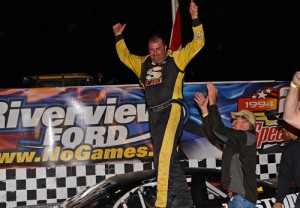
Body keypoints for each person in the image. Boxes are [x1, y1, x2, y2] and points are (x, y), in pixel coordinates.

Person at [112, 0, 205, 207]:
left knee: (163, 155)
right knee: (164, 160)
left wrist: (195, 18)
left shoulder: (176, 59)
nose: (155, 53)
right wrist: (119, 37)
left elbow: (198, 44)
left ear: (165, 47)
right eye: (151, 50)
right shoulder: (143, 63)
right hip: (154, 114)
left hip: (172, 108)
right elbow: (125, 56)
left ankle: (161, 203)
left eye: (158, 49)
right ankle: (182, 201)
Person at [194, 82, 257, 208]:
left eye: (236, 121)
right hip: (237, 199)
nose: (233, 123)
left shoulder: (247, 137)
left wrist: (212, 102)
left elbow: (219, 129)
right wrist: (204, 110)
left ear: (246, 124)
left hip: (242, 199)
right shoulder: (236, 142)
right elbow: (214, 134)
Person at [272, 119, 300, 208]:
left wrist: (278, 201)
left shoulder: (291, 148)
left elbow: (285, 177)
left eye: (286, 126)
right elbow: (285, 176)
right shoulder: (290, 148)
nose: (283, 129)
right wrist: (279, 201)